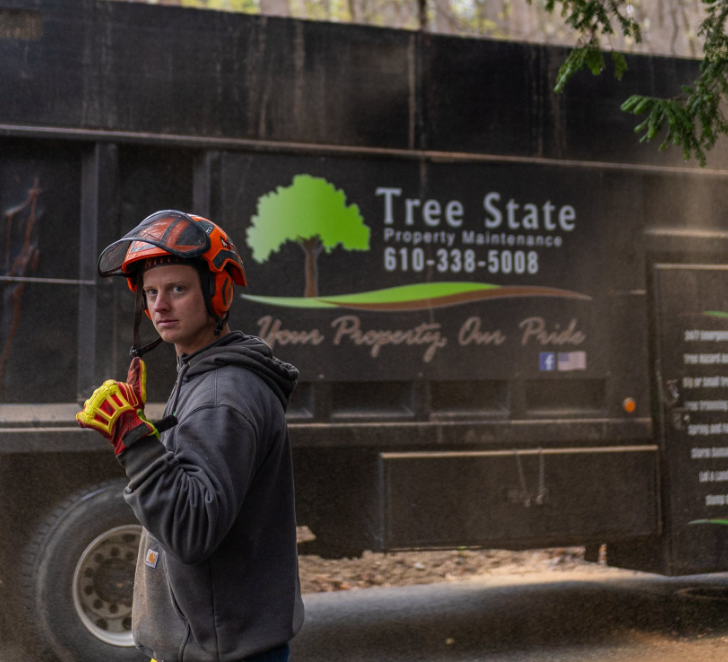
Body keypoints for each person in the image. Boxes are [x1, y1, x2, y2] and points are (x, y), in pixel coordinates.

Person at [76, 210, 304, 662]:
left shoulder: (223, 394)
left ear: (219, 293)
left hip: (223, 653)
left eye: (177, 289)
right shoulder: (201, 375)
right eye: (151, 292)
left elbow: (191, 529)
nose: (159, 305)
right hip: (215, 645)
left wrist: (135, 441)